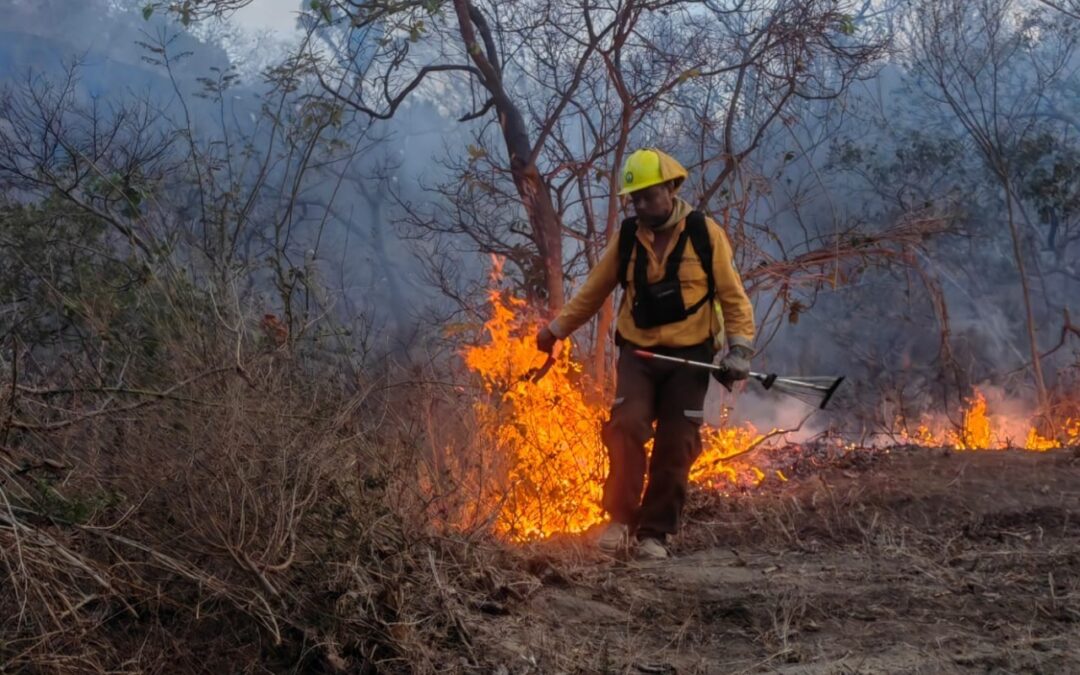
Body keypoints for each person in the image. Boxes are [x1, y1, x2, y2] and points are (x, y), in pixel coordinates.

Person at [535, 148, 756, 560]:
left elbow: (734, 297)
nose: (640, 204)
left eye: (648, 195)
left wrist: (739, 349)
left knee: (678, 441)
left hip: (690, 357)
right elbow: (593, 291)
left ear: (671, 189)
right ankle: (619, 521)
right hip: (638, 355)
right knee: (626, 426)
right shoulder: (627, 239)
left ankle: (653, 534)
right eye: (634, 198)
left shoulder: (705, 235)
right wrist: (556, 329)